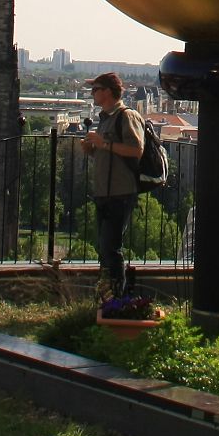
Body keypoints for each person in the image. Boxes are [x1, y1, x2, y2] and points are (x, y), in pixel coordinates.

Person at [79, 72, 144, 298]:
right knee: (104, 249)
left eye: (95, 89)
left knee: (111, 248)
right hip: (104, 193)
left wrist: (103, 143)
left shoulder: (127, 116)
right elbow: (108, 154)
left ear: (107, 91)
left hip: (120, 193)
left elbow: (136, 151)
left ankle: (118, 299)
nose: (92, 94)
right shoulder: (105, 118)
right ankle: (108, 295)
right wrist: (92, 149)